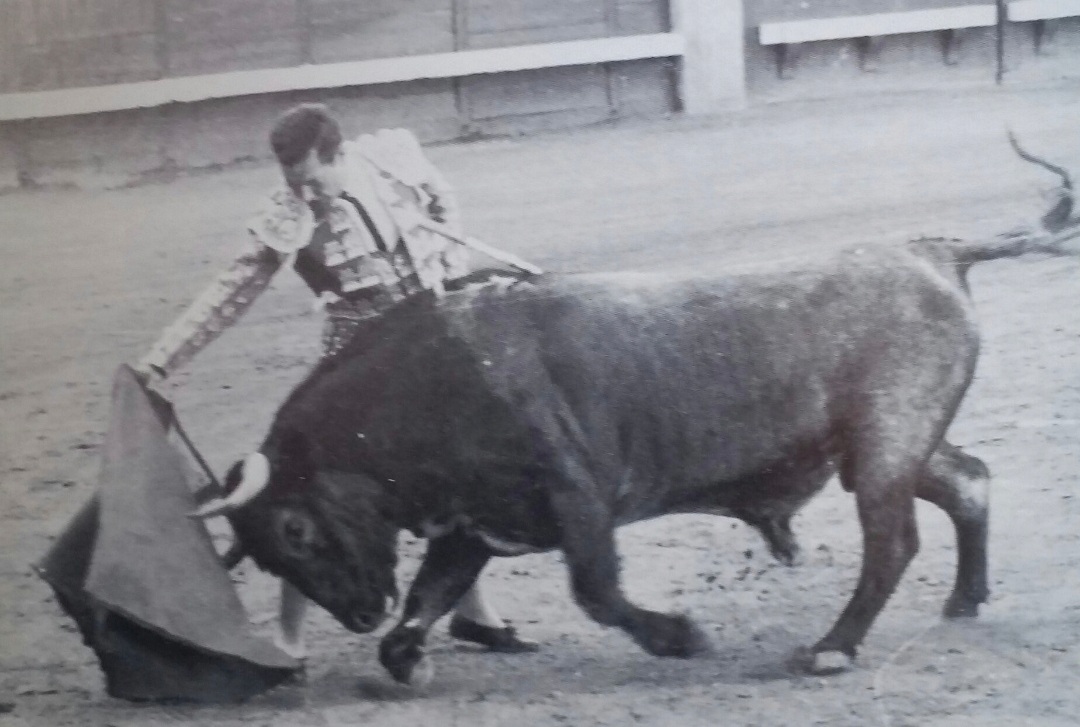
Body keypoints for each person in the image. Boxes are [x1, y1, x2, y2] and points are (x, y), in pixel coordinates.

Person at [134, 103, 537, 659]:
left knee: (451, 478)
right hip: (357, 364)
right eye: (296, 185)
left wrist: (449, 266)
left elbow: (443, 198)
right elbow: (230, 291)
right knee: (310, 497)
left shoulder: (391, 160)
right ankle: (289, 637)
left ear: (340, 154)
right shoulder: (287, 214)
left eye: (314, 182)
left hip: (436, 350)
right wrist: (161, 361)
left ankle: (472, 614)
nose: (307, 197)